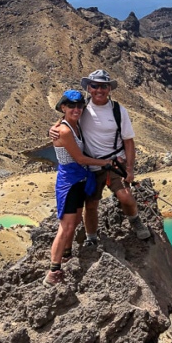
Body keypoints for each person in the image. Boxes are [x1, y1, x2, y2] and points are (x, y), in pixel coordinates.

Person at [50, 69, 151, 247]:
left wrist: (129, 169)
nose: (99, 90)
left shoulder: (118, 111)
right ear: (89, 87)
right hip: (91, 166)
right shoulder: (82, 109)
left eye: (103, 86)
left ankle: (135, 220)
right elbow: (66, 119)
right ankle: (91, 237)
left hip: (115, 163)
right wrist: (52, 129)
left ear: (109, 89)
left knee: (125, 196)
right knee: (90, 205)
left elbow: (129, 141)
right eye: (95, 86)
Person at [45, 89, 113, 286]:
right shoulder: (65, 130)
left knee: (74, 222)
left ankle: (66, 254)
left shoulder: (75, 125)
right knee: (66, 226)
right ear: (63, 107)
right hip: (70, 181)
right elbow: (80, 158)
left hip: (80, 179)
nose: (76, 109)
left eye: (79, 106)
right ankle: (53, 271)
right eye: (71, 106)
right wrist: (105, 163)